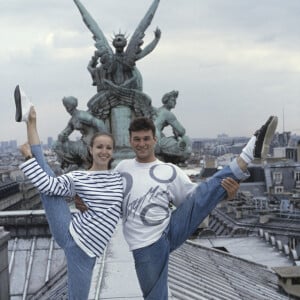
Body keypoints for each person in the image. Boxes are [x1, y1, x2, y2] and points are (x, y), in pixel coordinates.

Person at [76, 113, 278, 299]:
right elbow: (109, 199)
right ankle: (249, 154)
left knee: (204, 192)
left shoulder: (170, 171)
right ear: (130, 141)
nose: (142, 144)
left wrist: (225, 194)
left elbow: (195, 201)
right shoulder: (122, 168)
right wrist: (86, 203)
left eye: (146, 139)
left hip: (169, 228)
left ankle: (249, 152)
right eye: (137, 139)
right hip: (147, 244)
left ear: (155, 140)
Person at [14, 85, 123, 300]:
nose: (104, 151)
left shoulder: (118, 177)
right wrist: (28, 158)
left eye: (108, 147)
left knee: (49, 187)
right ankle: (31, 123)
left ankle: (31, 118)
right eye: (99, 147)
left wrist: (80, 199)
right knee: (49, 189)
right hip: (79, 245)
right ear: (90, 150)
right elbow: (47, 185)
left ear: (112, 151)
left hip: (84, 242)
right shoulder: (78, 177)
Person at [53, 95, 107, 169]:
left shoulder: (81, 115)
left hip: (90, 142)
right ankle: (72, 164)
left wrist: (105, 141)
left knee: (66, 146)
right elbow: (66, 131)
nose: (66, 108)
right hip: (84, 141)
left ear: (68, 107)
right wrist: (61, 137)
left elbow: (99, 123)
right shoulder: (73, 119)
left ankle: (86, 163)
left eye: (66, 106)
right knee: (56, 145)